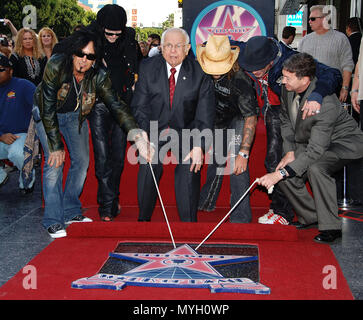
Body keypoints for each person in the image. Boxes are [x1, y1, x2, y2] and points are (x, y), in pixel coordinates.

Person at [33, 26, 153, 238]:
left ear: (95, 59)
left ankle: (71, 211)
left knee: (81, 162)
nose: (83, 60)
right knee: (55, 162)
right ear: (72, 52)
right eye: (80, 54)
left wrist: (136, 135)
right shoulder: (56, 65)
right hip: (46, 113)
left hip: (74, 116)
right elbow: (48, 105)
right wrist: (55, 145)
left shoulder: (98, 76)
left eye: (90, 56)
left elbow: (117, 106)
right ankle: (52, 220)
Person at [233, 36, 342, 225]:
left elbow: (332, 73)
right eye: (251, 67)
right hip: (270, 109)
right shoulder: (249, 50)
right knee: (273, 159)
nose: (255, 71)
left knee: (275, 160)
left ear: (272, 60)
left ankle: (282, 212)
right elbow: (228, 42)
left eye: (260, 67)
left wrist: (318, 94)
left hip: (286, 110)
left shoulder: (289, 60)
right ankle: (279, 208)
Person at [258, 53, 363, 243]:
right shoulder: (288, 90)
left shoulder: (326, 103)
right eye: (283, 76)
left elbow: (315, 152)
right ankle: (312, 216)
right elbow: (285, 120)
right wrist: (289, 152)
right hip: (314, 141)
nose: (283, 81)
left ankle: (331, 226)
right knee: (283, 168)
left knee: (316, 167)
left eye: (288, 78)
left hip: (343, 142)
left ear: (305, 79)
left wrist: (280, 174)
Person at [131, 27, 215, 222]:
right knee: (148, 163)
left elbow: (205, 115)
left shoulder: (200, 73)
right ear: (161, 47)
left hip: (187, 131)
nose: (173, 51)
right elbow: (139, 107)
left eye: (178, 46)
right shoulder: (147, 67)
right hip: (154, 129)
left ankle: (188, 224)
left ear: (187, 49)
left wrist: (199, 146)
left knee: (189, 166)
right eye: (168, 45)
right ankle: (143, 220)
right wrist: (143, 135)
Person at [196, 35, 258, 223]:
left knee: (236, 163)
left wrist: (244, 152)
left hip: (239, 118)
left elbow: (250, 117)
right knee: (216, 160)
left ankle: (241, 216)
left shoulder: (241, 80)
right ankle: (206, 202)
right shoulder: (200, 72)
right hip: (216, 120)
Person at [87, 4, 140, 222]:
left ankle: (111, 198)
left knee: (118, 157)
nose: (113, 37)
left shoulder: (128, 39)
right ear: (101, 28)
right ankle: (106, 207)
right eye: (109, 33)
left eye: (117, 33)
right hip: (99, 105)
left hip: (123, 106)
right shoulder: (89, 39)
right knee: (102, 156)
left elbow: (137, 66)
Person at [298, 5, 354, 102]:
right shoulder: (305, 40)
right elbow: (298, 66)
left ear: (324, 19)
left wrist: (344, 88)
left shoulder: (340, 39)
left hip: (332, 91)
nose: (309, 21)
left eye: (313, 19)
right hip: (307, 91)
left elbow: (347, 65)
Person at [0, 54, 36, 193]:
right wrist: (1, 136)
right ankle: (1, 176)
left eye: (1, 70)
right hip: (2, 137)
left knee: (17, 153)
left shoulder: (24, 86)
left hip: (23, 135)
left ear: (11, 71)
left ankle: (28, 174)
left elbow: (40, 109)